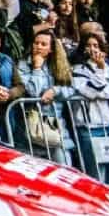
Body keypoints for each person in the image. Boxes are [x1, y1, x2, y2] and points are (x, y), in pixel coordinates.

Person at [69, 33, 109, 191]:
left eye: (96, 46)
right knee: (96, 170)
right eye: (89, 45)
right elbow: (91, 91)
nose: (93, 49)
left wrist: (102, 72)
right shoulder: (78, 70)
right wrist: (101, 74)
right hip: (89, 127)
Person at [17, 28, 74, 158]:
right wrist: (37, 68)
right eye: (36, 43)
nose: (38, 47)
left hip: (56, 123)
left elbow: (72, 88)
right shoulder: (23, 65)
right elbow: (33, 91)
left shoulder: (59, 65)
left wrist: (55, 90)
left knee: (62, 160)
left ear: (51, 49)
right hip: (34, 123)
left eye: (43, 44)